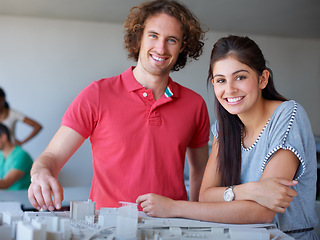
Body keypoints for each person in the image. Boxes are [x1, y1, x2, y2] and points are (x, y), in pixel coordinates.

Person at [28, 0, 210, 211]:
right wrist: (41, 174)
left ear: (182, 47)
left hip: (171, 227)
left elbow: (200, 174)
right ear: (139, 37)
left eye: (171, 40)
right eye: (153, 35)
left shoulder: (195, 104)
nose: (161, 47)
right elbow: (51, 157)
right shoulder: (97, 94)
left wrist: (196, 219)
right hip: (107, 227)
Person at [136, 35, 318, 239]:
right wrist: (249, 191)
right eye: (221, 80)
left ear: (262, 79)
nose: (229, 89)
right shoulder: (223, 129)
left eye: (240, 77)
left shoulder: (288, 115)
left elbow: (262, 212)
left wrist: (174, 207)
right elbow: (205, 197)